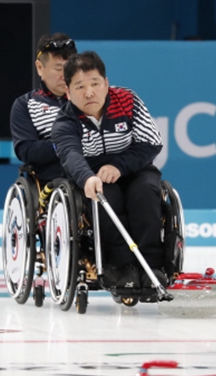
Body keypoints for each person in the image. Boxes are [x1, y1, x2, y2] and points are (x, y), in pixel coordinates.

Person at [51, 51, 166, 289]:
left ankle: (152, 265)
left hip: (135, 169)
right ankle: (122, 267)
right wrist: (87, 178)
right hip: (94, 177)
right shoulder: (64, 122)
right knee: (104, 200)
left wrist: (119, 166)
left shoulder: (128, 100)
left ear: (106, 83)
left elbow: (152, 142)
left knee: (145, 193)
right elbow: (70, 155)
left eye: (94, 83)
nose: (89, 92)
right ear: (68, 92)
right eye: (80, 86)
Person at [10, 33, 77, 182]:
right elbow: (27, 151)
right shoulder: (24, 105)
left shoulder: (90, 98)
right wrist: (65, 142)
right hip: (53, 181)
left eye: (70, 68)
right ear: (40, 68)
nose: (65, 75)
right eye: (58, 68)